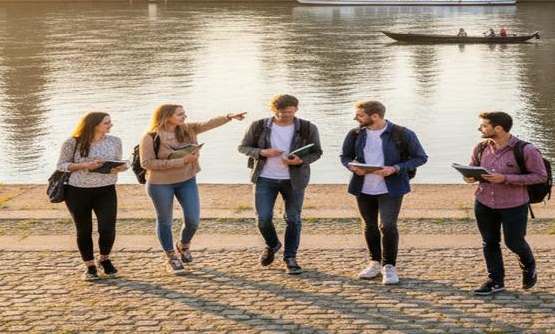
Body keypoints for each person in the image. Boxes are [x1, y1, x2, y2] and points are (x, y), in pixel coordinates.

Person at [139, 104, 246, 274]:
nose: (184, 117)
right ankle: (171, 257)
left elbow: (208, 123)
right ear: (166, 116)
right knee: (165, 220)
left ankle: (183, 245)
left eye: (184, 113)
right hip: (160, 183)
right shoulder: (150, 137)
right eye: (180, 114)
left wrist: (229, 116)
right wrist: (182, 160)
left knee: (193, 220)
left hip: (187, 180)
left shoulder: (188, 129)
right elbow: (147, 164)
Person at [340, 100, 429, 286]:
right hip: (363, 186)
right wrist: (352, 167)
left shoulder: (402, 133)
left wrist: (395, 168)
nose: (356, 118)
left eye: (360, 115)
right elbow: (345, 156)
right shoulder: (355, 133)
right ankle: (374, 262)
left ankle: (389, 266)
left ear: (375, 116)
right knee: (369, 225)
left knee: (388, 226)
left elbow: (421, 157)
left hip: (392, 186)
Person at [238, 94, 323, 275]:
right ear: (273, 110)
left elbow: (317, 152)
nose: (285, 115)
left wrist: (300, 161)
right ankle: (273, 244)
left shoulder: (308, 128)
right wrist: (262, 152)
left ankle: (290, 258)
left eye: (289, 112)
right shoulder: (259, 126)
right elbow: (243, 147)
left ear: (296, 109)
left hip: (294, 180)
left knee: (293, 219)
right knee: (263, 218)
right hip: (264, 178)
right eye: (280, 112)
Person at [464, 111, 547, 295]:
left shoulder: (526, 150)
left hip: (514, 204)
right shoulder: (480, 147)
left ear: (498, 128)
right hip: (484, 202)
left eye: (484, 126)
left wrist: (505, 178)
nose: (480, 129)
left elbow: (540, 176)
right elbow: (472, 167)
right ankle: (495, 280)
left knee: (514, 242)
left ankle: (529, 265)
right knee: (489, 242)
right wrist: (469, 177)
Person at [56, 111, 128, 280]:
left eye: (110, 122)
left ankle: (105, 259)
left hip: (106, 189)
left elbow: (119, 162)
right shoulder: (73, 142)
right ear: (94, 125)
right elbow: (61, 165)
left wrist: (121, 168)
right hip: (77, 191)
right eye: (106, 123)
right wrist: (85, 165)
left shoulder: (115, 141)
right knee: (84, 230)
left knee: (107, 229)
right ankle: (89, 266)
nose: (111, 125)